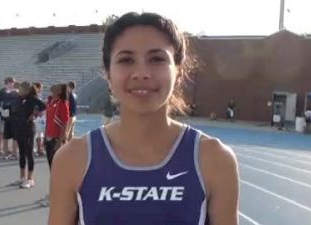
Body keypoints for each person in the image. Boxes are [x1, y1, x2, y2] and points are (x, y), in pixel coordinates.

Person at [49, 12, 239, 225]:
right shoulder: (73, 159)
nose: (141, 73)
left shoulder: (214, 160)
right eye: (126, 60)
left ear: (178, 72)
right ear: (108, 75)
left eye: (157, 59)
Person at [41, 84, 70, 206]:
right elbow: (48, 120)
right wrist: (44, 137)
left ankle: (56, 195)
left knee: (56, 170)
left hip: (56, 139)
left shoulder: (62, 103)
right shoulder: (50, 101)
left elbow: (65, 123)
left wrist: (59, 142)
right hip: (48, 137)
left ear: (60, 91)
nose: (53, 86)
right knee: (52, 168)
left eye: (57, 86)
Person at [13, 82, 45, 189]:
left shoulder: (32, 99)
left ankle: (30, 178)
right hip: (18, 127)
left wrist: (35, 114)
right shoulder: (18, 98)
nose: (19, 89)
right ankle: (22, 177)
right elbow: (14, 110)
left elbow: (43, 106)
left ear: (27, 89)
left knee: (29, 152)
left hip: (28, 128)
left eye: (21, 88)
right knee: (21, 152)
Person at [0, 77, 19, 158]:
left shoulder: (16, 92)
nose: (13, 84)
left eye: (13, 82)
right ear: (8, 83)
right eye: (12, 82)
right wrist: (3, 116)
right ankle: (6, 151)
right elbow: (1, 103)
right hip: (6, 116)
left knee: (15, 136)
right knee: (5, 135)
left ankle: (14, 152)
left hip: (14, 116)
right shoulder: (3, 92)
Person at [33, 82, 46, 156]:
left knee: (39, 134)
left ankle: (39, 149)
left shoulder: (38, 95)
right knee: (37, 134)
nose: (41, 89)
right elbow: (35, 106)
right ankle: (38, 149)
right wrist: (38, 113)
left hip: (40, 117)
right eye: (40, 87)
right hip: (37, 117)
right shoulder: (35, 96)